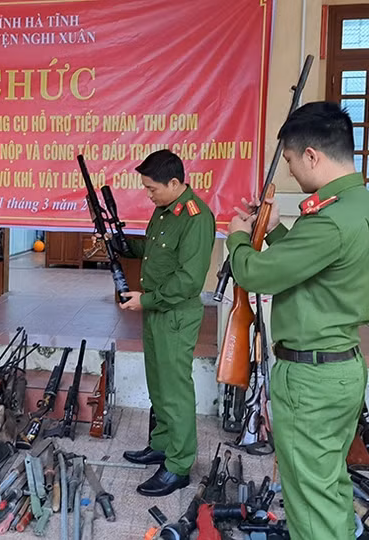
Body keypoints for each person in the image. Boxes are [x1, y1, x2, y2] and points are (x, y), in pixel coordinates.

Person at [225, 101, 369, 540]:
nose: (291, 172)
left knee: (308, 500)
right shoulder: (365, 207)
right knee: (327, 483)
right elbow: (317, 267)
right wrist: (278, 230)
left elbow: (257, 272)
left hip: (312, 379)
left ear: (313, 155)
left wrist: (239, 238)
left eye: (290, 161)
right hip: (341, 367)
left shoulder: (331, 221)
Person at [117, 149, 216, 497]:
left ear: (175, 183)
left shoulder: (196, 216)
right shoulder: (165, 211)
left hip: (174, 313)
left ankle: (179, 465)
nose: (148, 194)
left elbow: (189, 280)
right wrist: (123, 245)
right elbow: (155, 250)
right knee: (158, 385)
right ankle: (161, 445)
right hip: (157, 311)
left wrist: (146, 299)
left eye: (152, 188)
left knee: (175, 391)